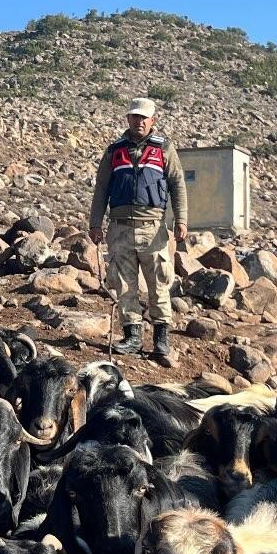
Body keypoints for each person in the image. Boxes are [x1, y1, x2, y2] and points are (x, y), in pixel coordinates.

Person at [88, 96, 188, 358]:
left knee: (159, 284)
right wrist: (95, 223)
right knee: (124, 285)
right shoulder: (114, 150)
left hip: (153, 228)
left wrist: (181, 220)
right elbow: (101, 189)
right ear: (128, 118)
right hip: (120, 229)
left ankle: (161, 340)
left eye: (144, 117)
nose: (139, 121)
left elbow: (177, 184)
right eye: (134, 116)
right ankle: (132, 336)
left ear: (153, 120)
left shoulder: (164, 148)